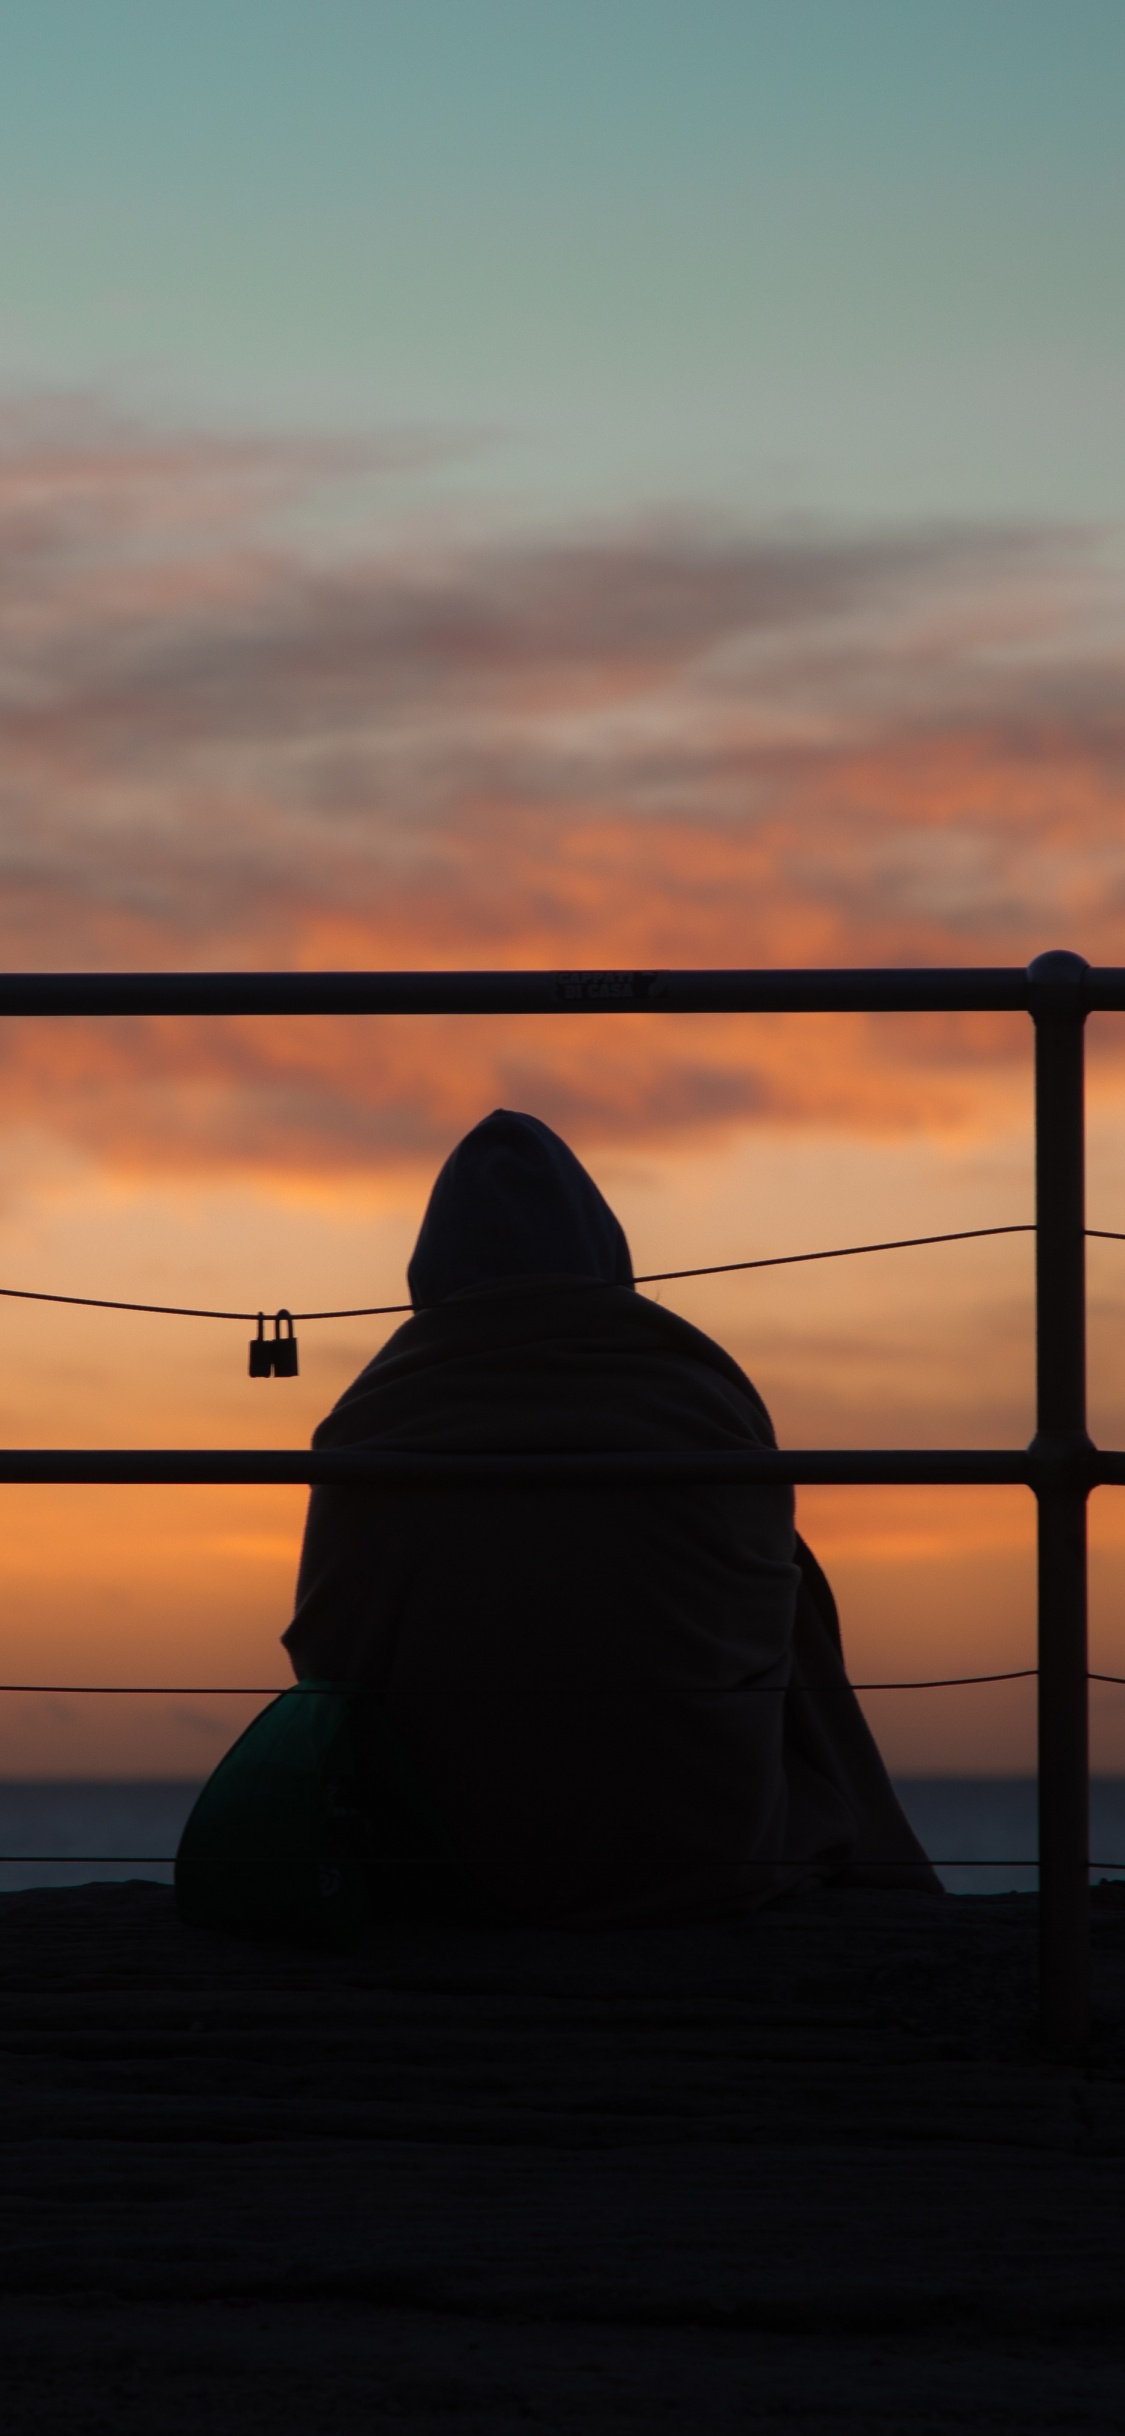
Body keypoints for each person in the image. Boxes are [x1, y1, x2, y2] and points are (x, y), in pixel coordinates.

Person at [283, 1109, 939, 1925]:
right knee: (787, 1576)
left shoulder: (369, 1423)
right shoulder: (696, 1394)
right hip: (699, 1852)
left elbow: (324, 1654)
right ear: (605, 1249)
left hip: (443, 1863)